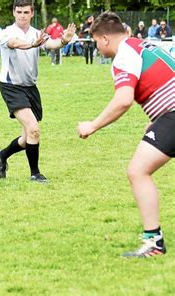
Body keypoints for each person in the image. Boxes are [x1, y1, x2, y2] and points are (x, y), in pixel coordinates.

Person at [77, 12, 174, 258]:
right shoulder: (142, 45)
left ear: (105, 38)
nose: (97, 47)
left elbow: (123, 101)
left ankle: (154, 242)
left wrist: (92, 125)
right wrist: (156, 121)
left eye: (96, 41)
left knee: (138, 171)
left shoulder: (124, 55)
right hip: (169, 115)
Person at [0, 0, 75, 182]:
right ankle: (35, 174)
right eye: (19, 11)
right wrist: (32, 44)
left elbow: (51, 44)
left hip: (30, 87)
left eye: (26, 12)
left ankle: (2, 155)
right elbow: (15, 43)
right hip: (11, 86)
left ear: (31, 13)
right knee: (34, 129)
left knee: (27, 137)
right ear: (14, 12)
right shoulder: (7, 32)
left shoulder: (37, 33)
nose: (22, 15)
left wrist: (64, 40)